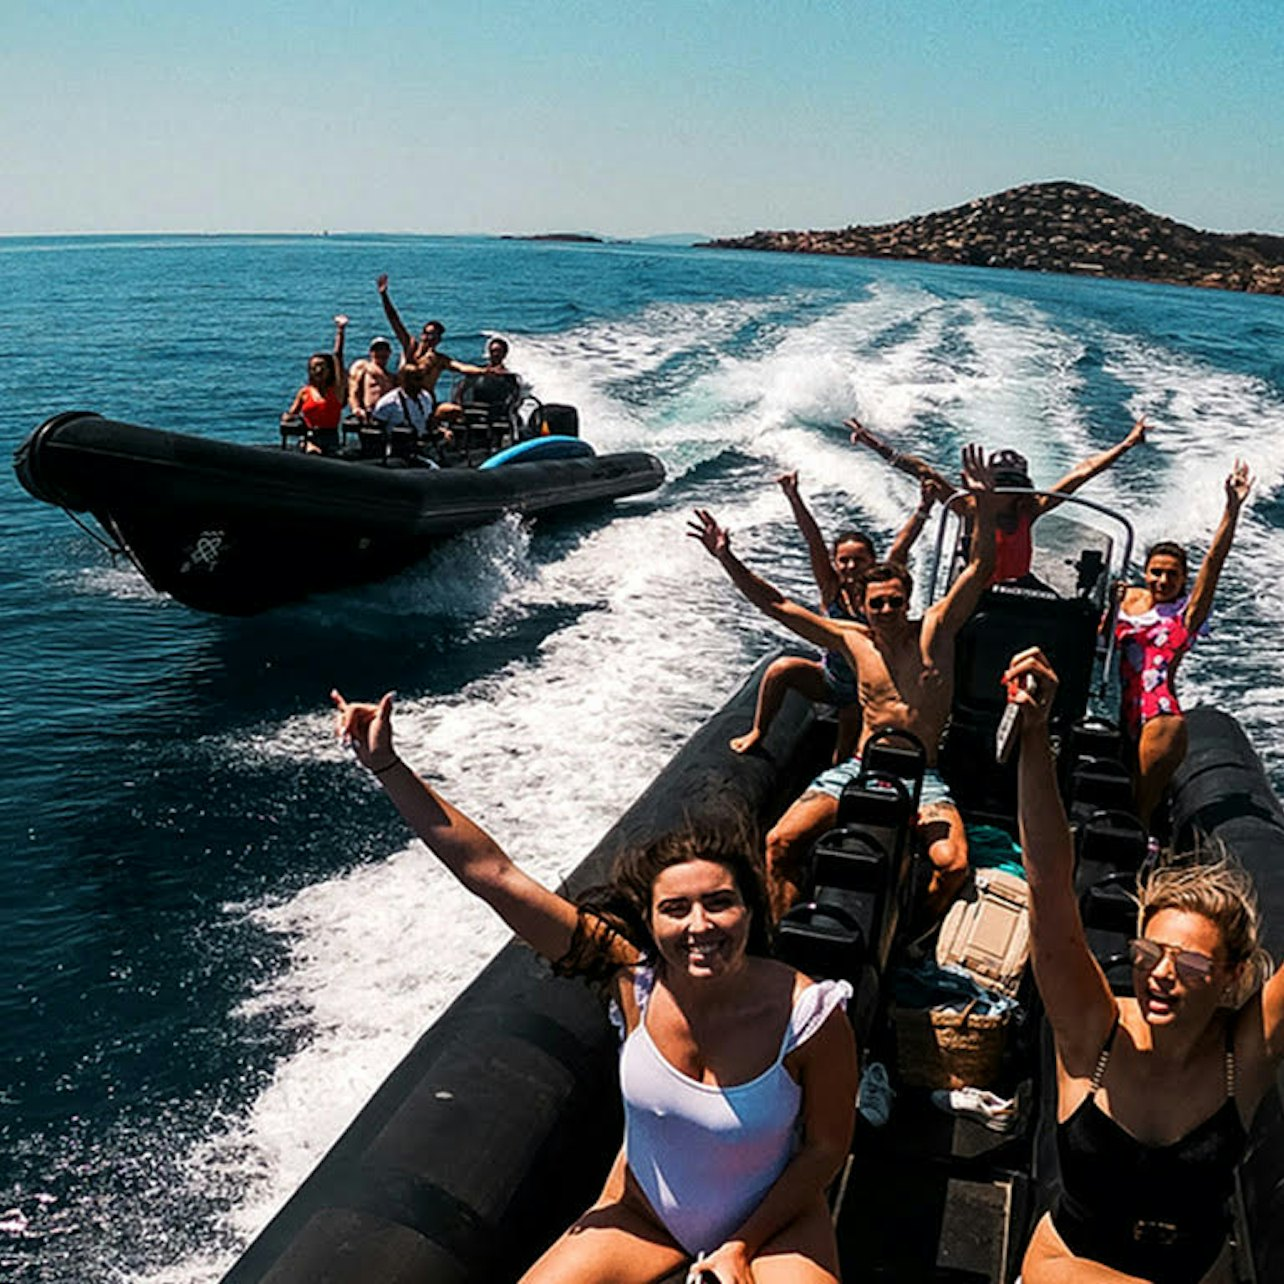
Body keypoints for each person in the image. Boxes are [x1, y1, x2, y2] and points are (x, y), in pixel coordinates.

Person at [331, 689, 858, 1284]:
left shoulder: (809, 1014)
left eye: (719, 904)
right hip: (646, 1218)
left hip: (774, 1230)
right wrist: (386, 766)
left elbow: (824, 1151)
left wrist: (739, 1244)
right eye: (676, 909)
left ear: (750, 911)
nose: (699, 926)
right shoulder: (632, 981)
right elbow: (495, 876)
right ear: (652, 921)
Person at [1006, 644, 1283, 1284]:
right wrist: (1033, 737)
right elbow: (1049, 882)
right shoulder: (1091, 1031)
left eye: (1187, 963)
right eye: (1148, 955)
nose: (1160, 974)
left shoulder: (1247, 1054)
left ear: (1232, 977)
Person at [688, 446, 1001, 922]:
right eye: (878, 605)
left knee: (953, 865)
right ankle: (782, 942)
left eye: (895, 603)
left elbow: (979, 569)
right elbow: (777, 606)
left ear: (907, 600)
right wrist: (727, 558)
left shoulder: (936, 631)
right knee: (779, 843)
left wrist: (985, 505)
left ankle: (908, 932)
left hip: (924, 777)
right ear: (866, 605)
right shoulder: (853, 641)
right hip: (859, 767)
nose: (887, 612)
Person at [730, 472, 943, 762]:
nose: (851, 566)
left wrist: (923, 509)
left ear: (873, 561)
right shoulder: (831, 588)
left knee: (842, 753)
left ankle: (838, 775)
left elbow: (900, 548)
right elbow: (813, 541)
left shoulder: (879, 593)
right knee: (780, 669)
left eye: (860, 559)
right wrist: (794, 497)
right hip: (831, 679)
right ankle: (758, 731)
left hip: (864, 690)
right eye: (844, 560)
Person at [848, 414, 1148, 583]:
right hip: (972, 589)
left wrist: (1127, 444)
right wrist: (876, 444)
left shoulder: (1031, 509)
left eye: (1013, 483)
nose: (1006, 490)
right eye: (1001, 482)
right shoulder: (968, 508)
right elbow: (922, 471)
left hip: (1020, 587)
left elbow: (1083, 472)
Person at [1115, 461, 1252, 828]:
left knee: (1140, 808)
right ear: (1144, 571)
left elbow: (1214, 561)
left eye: (1172, 575)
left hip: (1158, 717)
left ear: (1183, 579)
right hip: (1116, 709)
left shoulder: (1185, 616)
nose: (1162, 580)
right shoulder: (1124, 600)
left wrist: (1232, 507)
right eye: (1156, 572)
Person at [376, 273, 486, 427]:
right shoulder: (410, 345)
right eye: (427, 334)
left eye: (434, 336)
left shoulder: (439, 360)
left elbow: (461, 367)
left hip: (425, 403)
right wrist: (384, 296)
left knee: (454, 411)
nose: (429, 338)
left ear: (439, 340)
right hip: (404, 400)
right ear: (422, 334)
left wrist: (485, 371)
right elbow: (394, 320)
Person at [281, 315, 348, 454]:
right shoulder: (304, 392)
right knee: (312, 452)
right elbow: (292, 413)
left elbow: (338, 357)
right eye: (314, 368)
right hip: (309, 437)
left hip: (330, 438)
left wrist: (340, 331)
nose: (318, 371)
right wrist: (287, 417)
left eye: (322, 367)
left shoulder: (336, 390)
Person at [369, 364, 451, 462]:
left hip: (422, 446)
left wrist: (442, 431)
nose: (420, 383)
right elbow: (376, 431)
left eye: (421, 378)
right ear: (404, 380)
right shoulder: (388, 403)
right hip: (398, 451)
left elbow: (428, 423)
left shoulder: (425, 397)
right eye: (416, 379)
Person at [347, 335, 396, 422]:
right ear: (371, 352)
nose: (381, 353)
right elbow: (353, 389)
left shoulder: (391, 377)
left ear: (389, 353)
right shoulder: (364, 367)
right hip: (369, 414)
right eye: (377, 350)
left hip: (387, 417)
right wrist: (356, 408)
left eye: (384, 350)